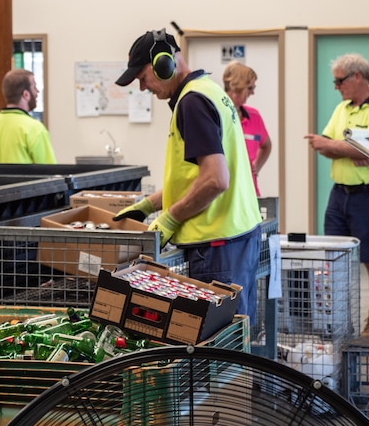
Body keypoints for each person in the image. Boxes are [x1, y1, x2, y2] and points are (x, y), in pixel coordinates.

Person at [112, 28, 263, 322]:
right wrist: (151, 204)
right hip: (236, 237)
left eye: (143, 77)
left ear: (163, 64)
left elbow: (215, 180)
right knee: (236, 337)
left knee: (218, 347)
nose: (143, 88)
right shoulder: (209, 91)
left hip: (218, 244)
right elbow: (197, 175)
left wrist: (170, 217)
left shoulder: (192, 103)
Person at [304, 53, 369, 339]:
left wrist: (349, 147)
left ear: (358, 77)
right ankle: (338, 316)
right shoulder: (342, 108)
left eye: (339, 80)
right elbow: (321, 145)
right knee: (334, 257)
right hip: (338, 195)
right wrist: (354, 147)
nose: (336, 86)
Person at [0, 68, 57, 164]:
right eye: (34, 87)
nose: (37, 91)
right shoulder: (35, 129)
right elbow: (51, 173)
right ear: (26, 94)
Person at [221, 62, 272, 196]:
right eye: (249, 88)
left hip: (250, 192)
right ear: (236, 86)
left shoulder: (254, 116)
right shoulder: (217, 113)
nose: (253, 93)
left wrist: (256, 168)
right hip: (225, 193)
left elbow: (266, 145)